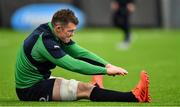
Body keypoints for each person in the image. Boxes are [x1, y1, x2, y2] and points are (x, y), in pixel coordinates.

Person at [15, 9, 150, 102]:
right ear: (58, 28)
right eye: (70, 31)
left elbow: (79, 53)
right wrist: (105, 71)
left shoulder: (52, 30)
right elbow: (73, 65)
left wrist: (107, 64)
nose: (72, 34)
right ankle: (134, 97)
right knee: (84, 89)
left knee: (81, 87)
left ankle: (96, 87)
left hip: (40, 80)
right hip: (30, 89)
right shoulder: (46, 42)